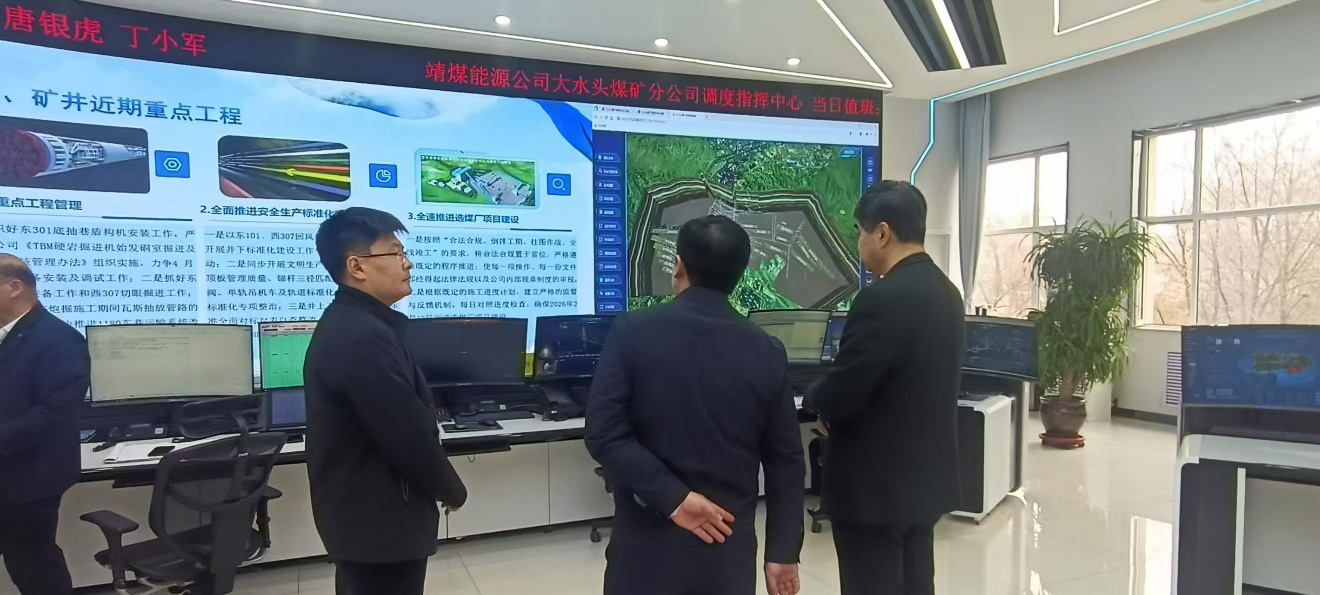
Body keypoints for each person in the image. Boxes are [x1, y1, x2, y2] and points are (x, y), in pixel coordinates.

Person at [585, 215, 806, 595]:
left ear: (679, 267)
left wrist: (675, 499)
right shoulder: (766, 350)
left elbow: (604, 434)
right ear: (739, 276)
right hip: (725, 548)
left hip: (646, 547)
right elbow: (785, 460)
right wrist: (783, 551)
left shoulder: (631, 331)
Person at [804, 181, 964, 595]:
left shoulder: (881, 299)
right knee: (915, 583)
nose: (859, 242)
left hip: (874, 491)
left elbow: (846, 391)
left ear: (882, 233)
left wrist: (813, 397)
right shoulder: (947, 292)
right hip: (923, 483)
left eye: (859, 231)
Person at [304, 208, 468, 595]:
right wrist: (451, 489)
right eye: (395, 253)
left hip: (369, 518)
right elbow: (404, 434)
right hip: (377, 521)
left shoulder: (362, 323)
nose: (407, 263)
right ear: (357, 266)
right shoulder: (361, 336)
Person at [0, 254, 87, 595]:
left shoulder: (59, 339)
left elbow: (54, 414)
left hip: (28, 478)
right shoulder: (9, 334)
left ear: (14, 287)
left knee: (34, 567)